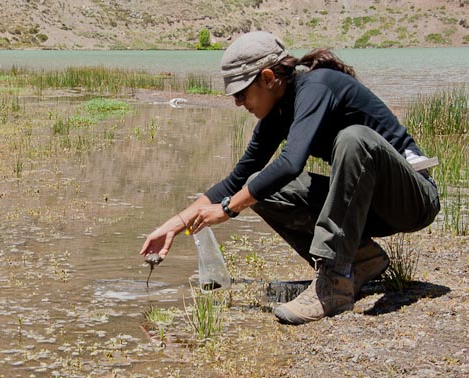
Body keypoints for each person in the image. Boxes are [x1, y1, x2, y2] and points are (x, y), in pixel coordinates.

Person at [139, 31, 440, 325]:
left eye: (242, 93)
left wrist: (229, 209)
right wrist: (174, 225)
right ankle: (360, 259)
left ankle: (333, 283)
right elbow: (236, 180)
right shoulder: (277, 114)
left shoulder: (317, 86)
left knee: (354, 138)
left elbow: (290, 164)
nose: (238, 103)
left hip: (412, 202)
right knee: (258, 183)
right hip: (362, 209)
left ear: (268, 79)